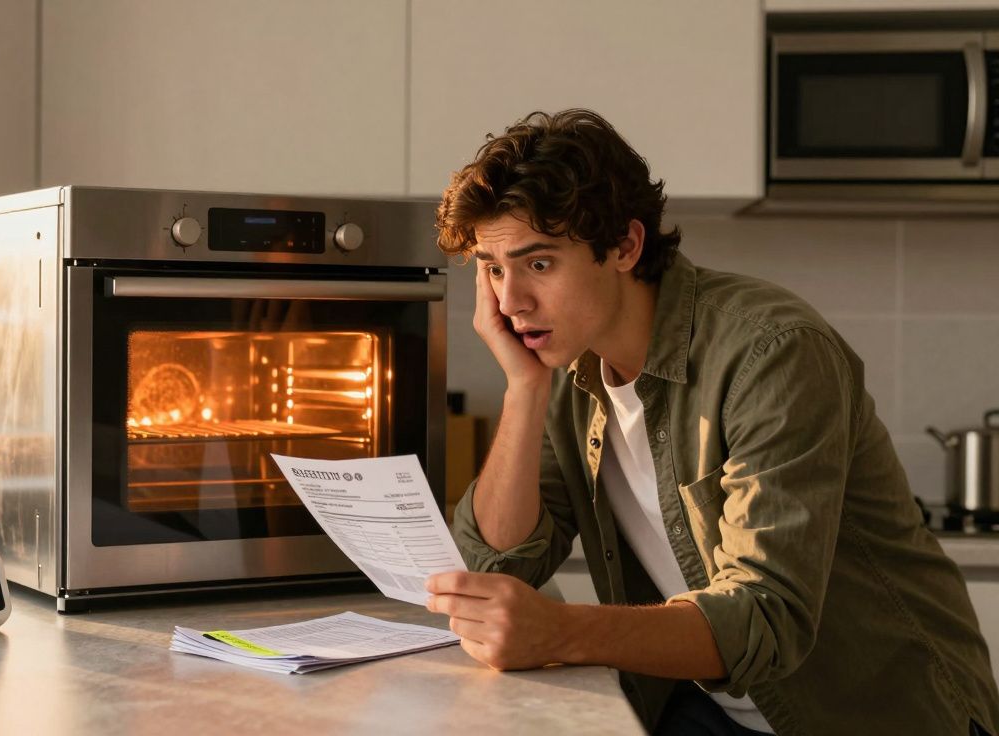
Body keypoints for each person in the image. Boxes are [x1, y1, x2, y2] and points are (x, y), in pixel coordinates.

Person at [423, 109, 999, 736]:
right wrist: (523, 386)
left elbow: (764, 615)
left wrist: (560, 630)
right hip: (710, 710)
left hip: (873, 716)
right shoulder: (567, 374)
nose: (510, 303)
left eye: (539, 264)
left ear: (624, 245)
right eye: (492, 268)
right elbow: (497, 572)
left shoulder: (772, 352)